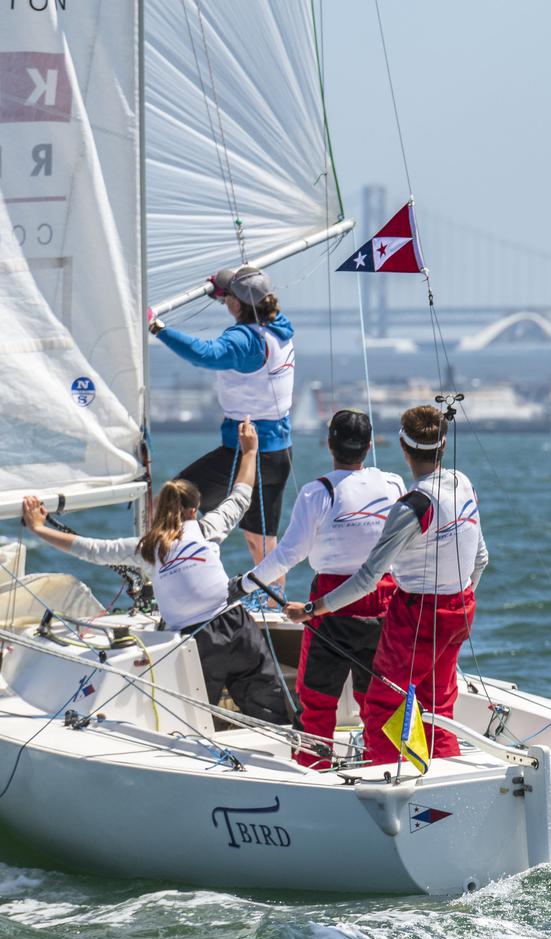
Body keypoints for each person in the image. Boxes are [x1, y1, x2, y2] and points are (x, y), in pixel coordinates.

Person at [19, 421, 288, 724]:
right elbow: (241, 496)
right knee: (268, 707)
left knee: (198, 719)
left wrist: (39, 528)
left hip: (193, 642)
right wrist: (249, 452)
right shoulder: (206, 527)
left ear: (160, 511)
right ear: (193, 509)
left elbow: (91, 549)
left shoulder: (147, 548)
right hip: (236, 626)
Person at [285, 405, 486, 768]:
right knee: (436, 705)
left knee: (382, 706)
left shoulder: (411, 506)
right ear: (441, 448)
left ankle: (386, 790)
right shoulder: (464, 483)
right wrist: (459, 596)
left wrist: (311, 610)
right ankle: (446, 777)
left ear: (403, 448)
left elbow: (366, 579)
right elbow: (481, 559)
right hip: (463, 610)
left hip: (418, 616)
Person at [242, 410, 408, 769]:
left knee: (317, 701)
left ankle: (313, 768)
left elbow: (289, 554)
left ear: (330, 445)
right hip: (385, 601)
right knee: (378, 698)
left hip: (330, 606)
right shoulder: (394, 484)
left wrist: (246, 582)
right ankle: (387, 764)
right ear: (369, 446)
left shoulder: (317, 492)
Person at [148, 265, 297, 567]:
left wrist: (157, 328)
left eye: (228, 296)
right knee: (261, 539)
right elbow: (247, 298)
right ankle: (275, 601)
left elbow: (205, 354)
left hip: (244, 450)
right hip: (279, 452)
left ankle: (168, 579)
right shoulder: (278, 325)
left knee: (172, 502)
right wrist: (226, 292)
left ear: (238, 304)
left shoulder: (246, 341)